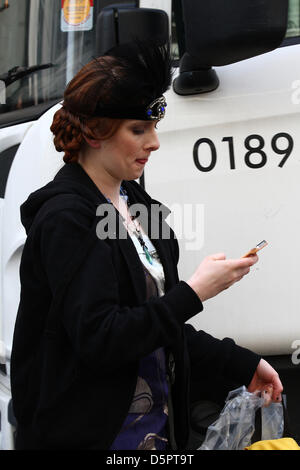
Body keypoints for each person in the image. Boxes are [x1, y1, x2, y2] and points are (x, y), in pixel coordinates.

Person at [10, 40, 282, 450]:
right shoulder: (65, 219)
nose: (154, 142)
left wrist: (241, 363)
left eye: (153, 128)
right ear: (95, 132)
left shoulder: (138, 205)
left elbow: (157, 325)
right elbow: (103, 339)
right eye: (138, 130)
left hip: (153, 435)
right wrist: (196, 292)